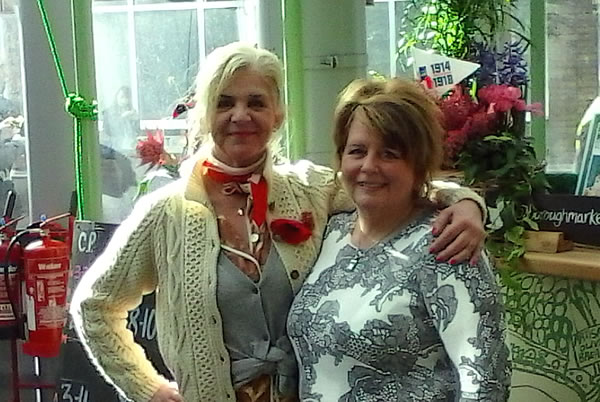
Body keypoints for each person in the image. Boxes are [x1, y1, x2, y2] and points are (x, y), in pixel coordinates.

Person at [71, 42, 488, 402]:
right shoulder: (164, 214)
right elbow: (94, 305)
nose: (240, 115)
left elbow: (390, 183)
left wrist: (467, 203)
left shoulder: (311, 189)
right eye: (224, 102)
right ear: (204, 114)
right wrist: (148, 389)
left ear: (278, 115)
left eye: (256, 102)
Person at [287, 78, 511, 401]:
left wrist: (468, 202)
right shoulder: (330, 230)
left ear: (418, 164)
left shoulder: (447, 243)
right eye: (357, 151)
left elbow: (486, 383)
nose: (369, 166)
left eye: (389, 154)